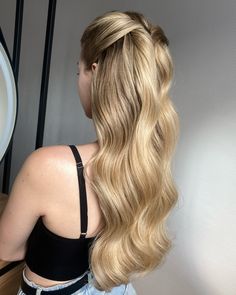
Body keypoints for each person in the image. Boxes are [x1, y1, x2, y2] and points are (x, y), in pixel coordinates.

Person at [0, 10, 179, 295]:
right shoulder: (149, 159)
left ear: (94, 73)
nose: (77, 80)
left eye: (78, 70)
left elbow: (7, 248)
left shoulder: (48, 166)